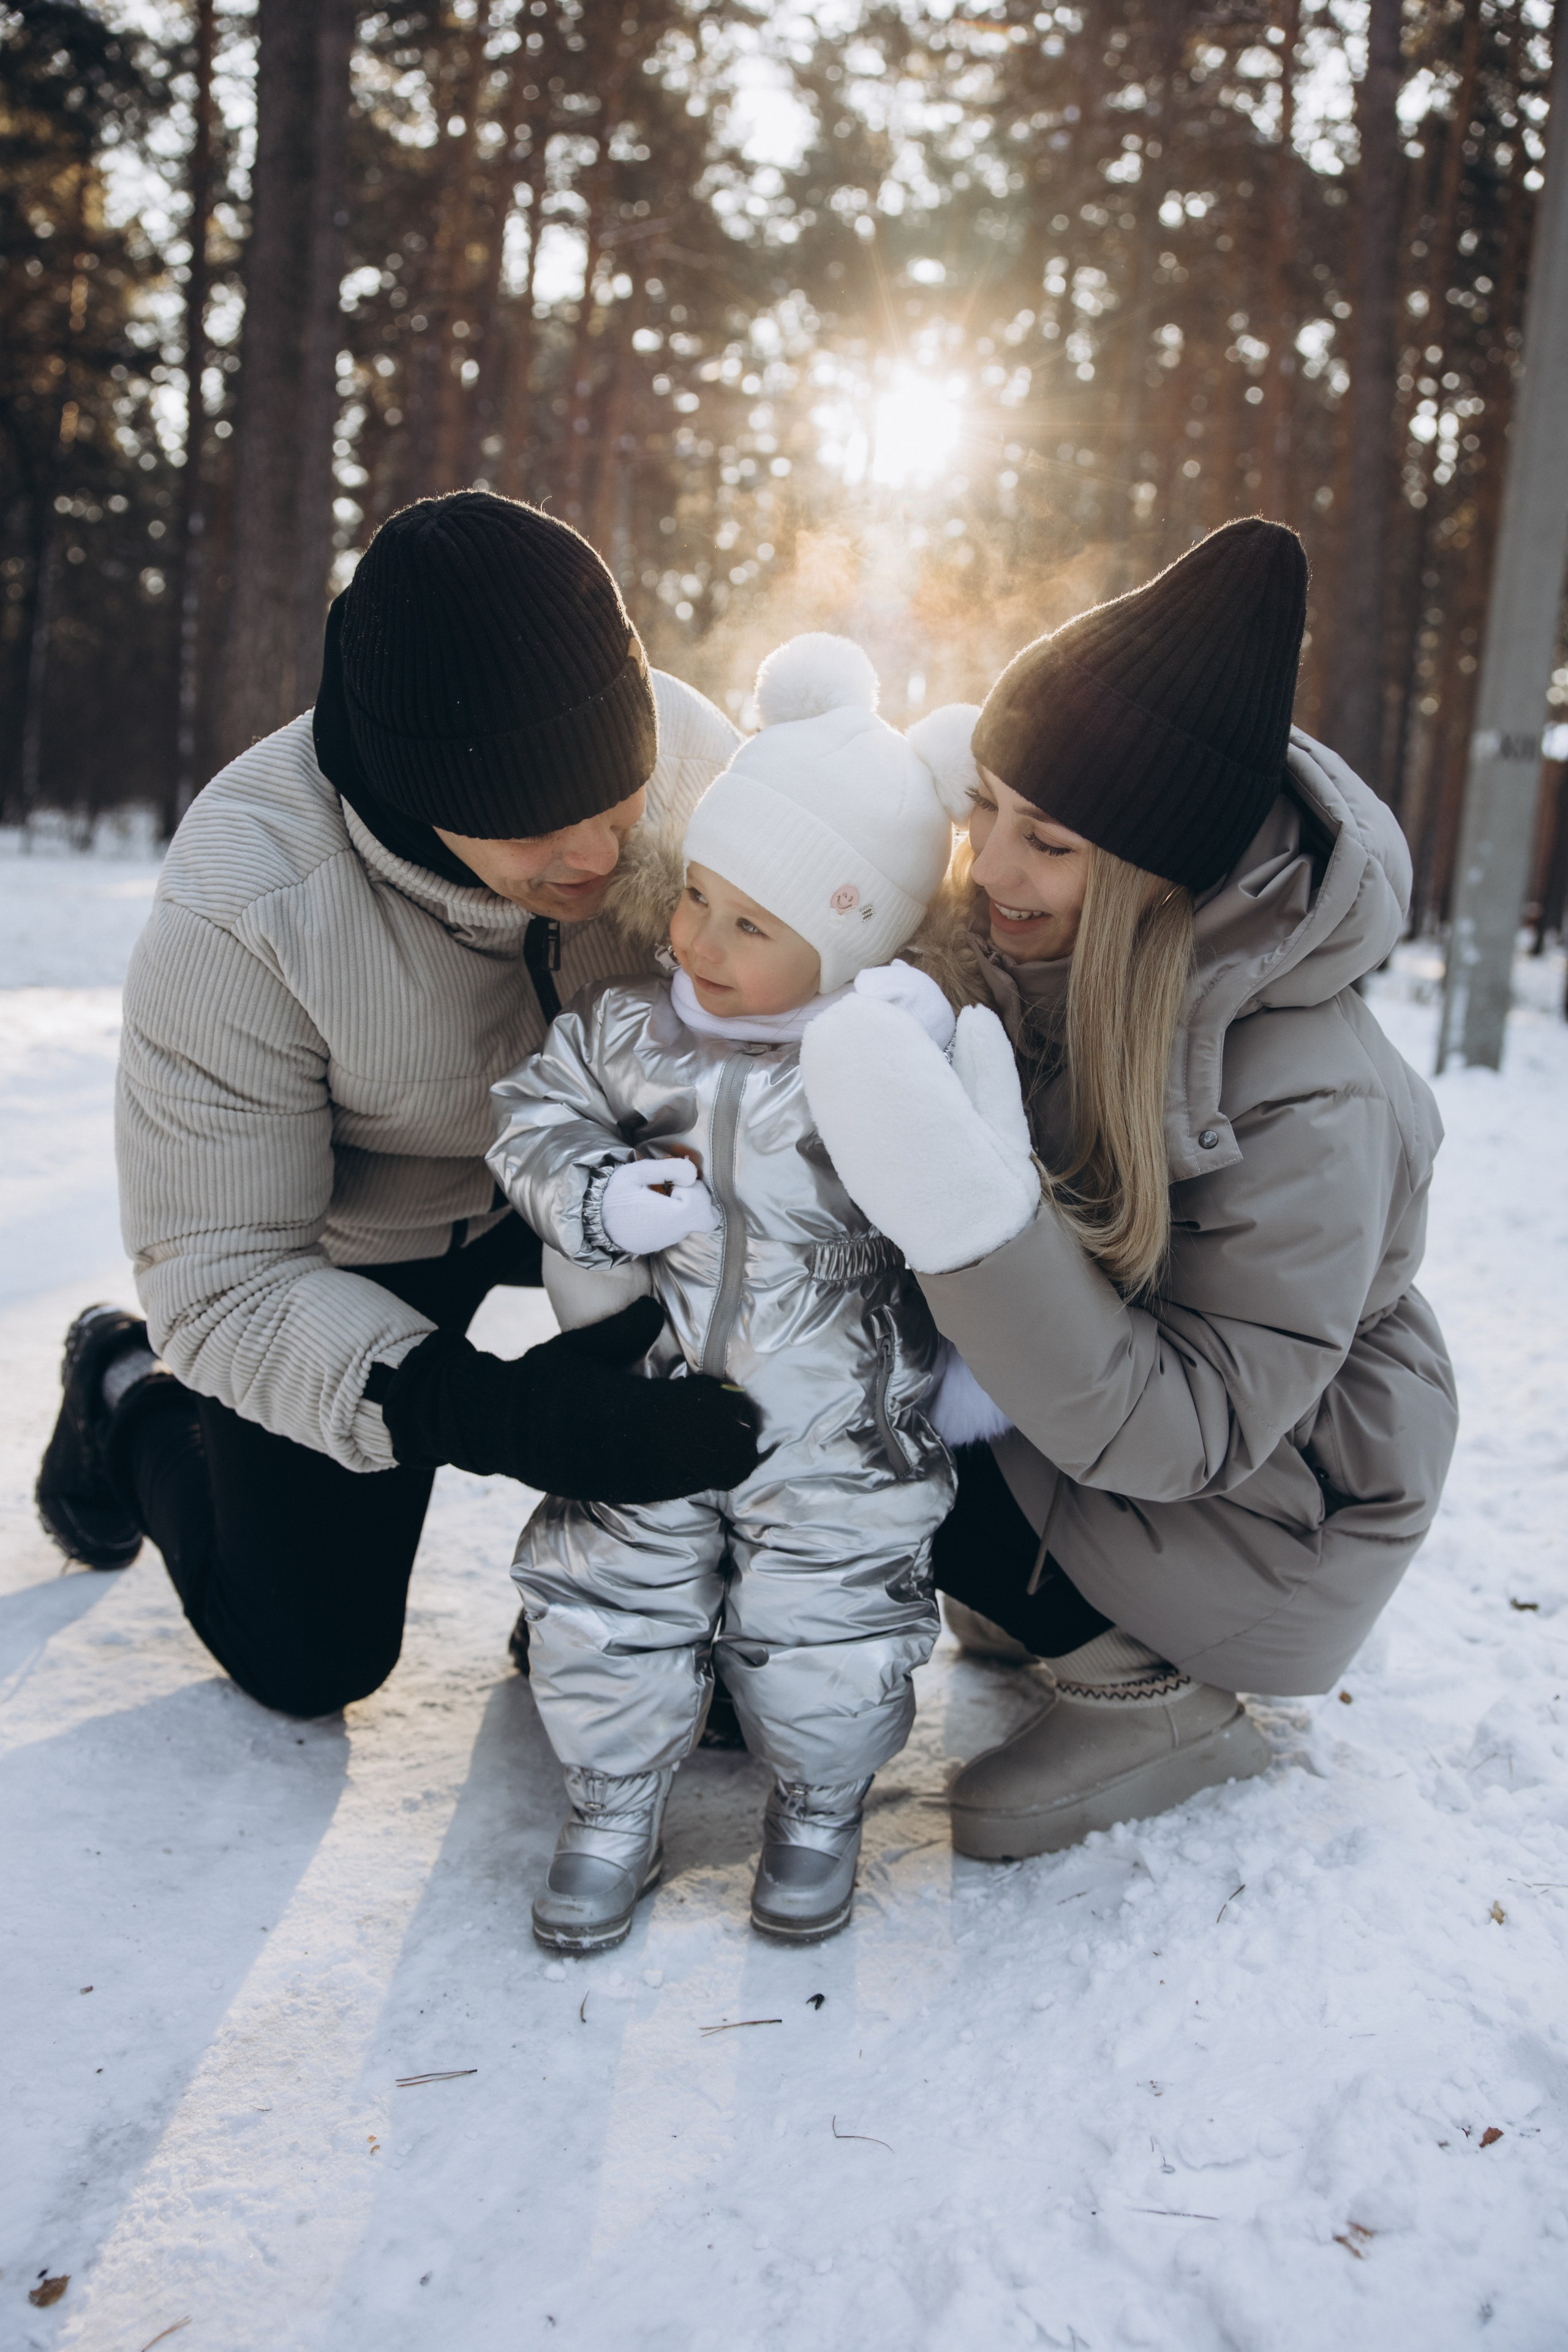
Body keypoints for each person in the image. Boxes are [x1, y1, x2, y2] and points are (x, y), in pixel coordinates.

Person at [34, 491, 762, 1719]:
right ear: (416, 791)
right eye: (533, 823)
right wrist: (488, 1410)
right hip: (363, 1244)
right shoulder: (245, 902)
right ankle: (123, 1400)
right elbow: (221, 1278)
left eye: (614, 796)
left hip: (605, 1184)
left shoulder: (695, 767)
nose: (592, 852)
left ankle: (604, 1590)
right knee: (309, 1657)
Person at [801, 518, 1459, 1860]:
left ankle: (1154, 1689)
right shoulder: (1058, 950)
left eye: (1047, 840)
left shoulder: (1308, 1096)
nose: (990, 870)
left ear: (1160, 870)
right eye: (984, 809)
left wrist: (963, 1218)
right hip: (1140, 1436)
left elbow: (1193, 1429)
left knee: (903, 1428)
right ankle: (1028, 1580)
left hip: (1271, 1510)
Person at [487, 634, 981, 1951]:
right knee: (610, 1583)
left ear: (850, 932)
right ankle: (607, 1801)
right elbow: (530, 1119)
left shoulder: (882, 1060)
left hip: (834, 1421)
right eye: (696, 894)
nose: (693, 936)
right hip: (650, 1390)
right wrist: (597, 1192)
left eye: (750, 923)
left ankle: (818, 1803)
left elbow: (973, 1206)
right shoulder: (627, 1032)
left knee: (827, 1609)